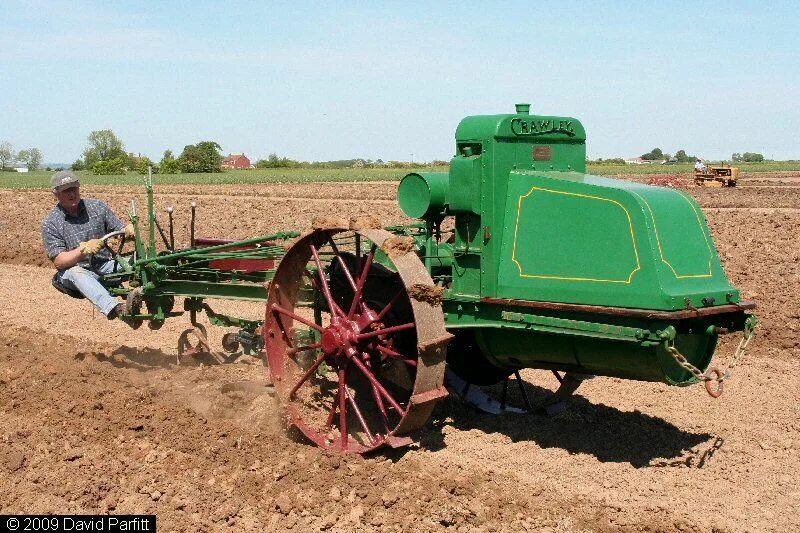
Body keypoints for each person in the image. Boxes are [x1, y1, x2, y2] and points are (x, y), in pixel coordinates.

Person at [41, 170, 134, 320]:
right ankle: (116, 308)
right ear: (56, 193)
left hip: (105, 265)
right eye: (66, 191)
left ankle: (151, 294)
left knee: (140, 259)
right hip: (76, 272)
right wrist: (83, 250)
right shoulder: (51, 223)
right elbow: (59, 261)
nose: (72, 194)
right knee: (75, 272)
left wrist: (128, 231)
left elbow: (119, 230)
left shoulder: (97, 207)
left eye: (74, 189)